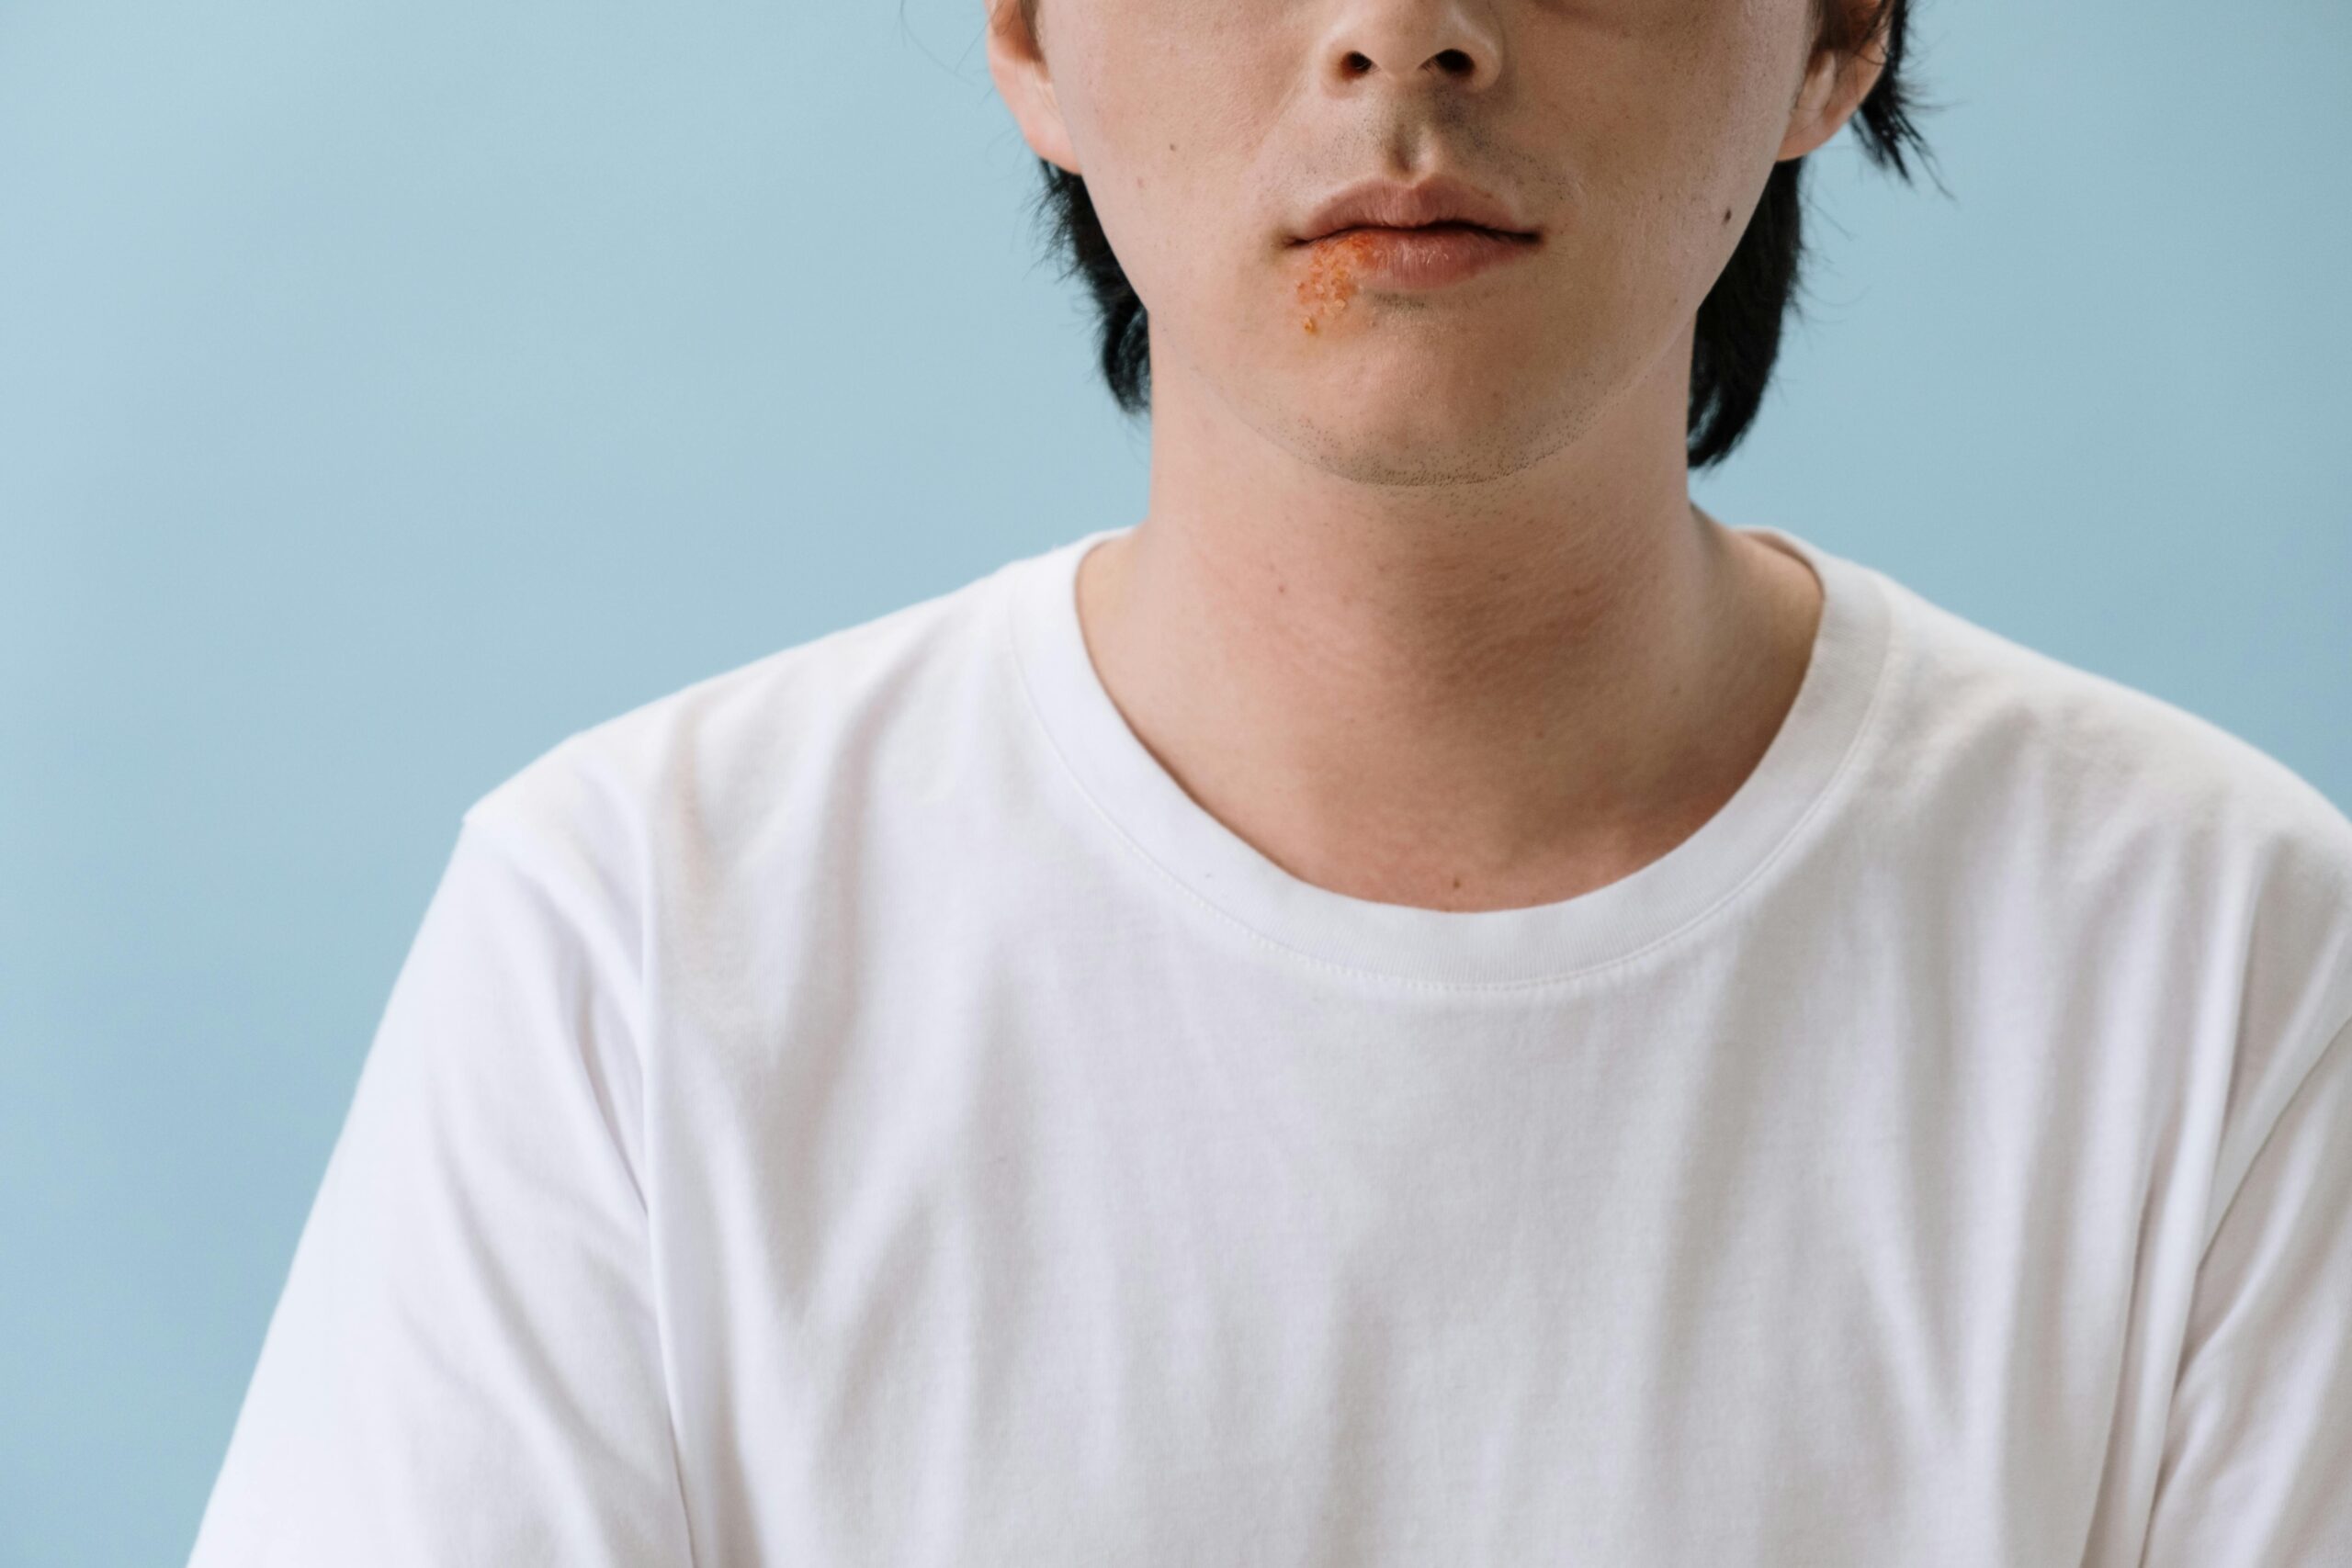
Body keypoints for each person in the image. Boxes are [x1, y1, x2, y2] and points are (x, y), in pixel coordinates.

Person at [188, 0, 2352, 1561]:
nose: (1402, 39)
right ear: (1028, 37)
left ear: (1830, 41)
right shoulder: (639, 927)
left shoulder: (2221, 953)